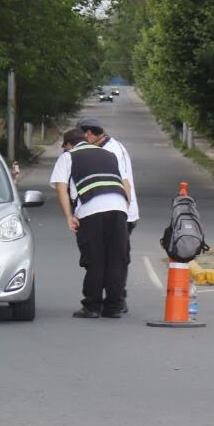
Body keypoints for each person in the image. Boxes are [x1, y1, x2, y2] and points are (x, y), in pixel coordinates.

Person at [49, 128, 129, 318]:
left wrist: (69, 216)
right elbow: (125, 183)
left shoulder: (69, 157)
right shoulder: (109, 154)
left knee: (95, 259)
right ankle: (114, 307)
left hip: (91, 211)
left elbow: (61, 188)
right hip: (119, 209)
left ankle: (92, 307)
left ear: (69, 144)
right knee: (116, 260)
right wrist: (125, 208)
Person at [78, 117, 138, 312]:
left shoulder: (109, 150)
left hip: (119, 209)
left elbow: (124, 181)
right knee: (115, 258)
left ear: (89, 133)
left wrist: (124, 210)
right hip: (120, 208)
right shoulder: (110, 146)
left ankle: (116, 300)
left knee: (112, 258)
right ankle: (116, 300)